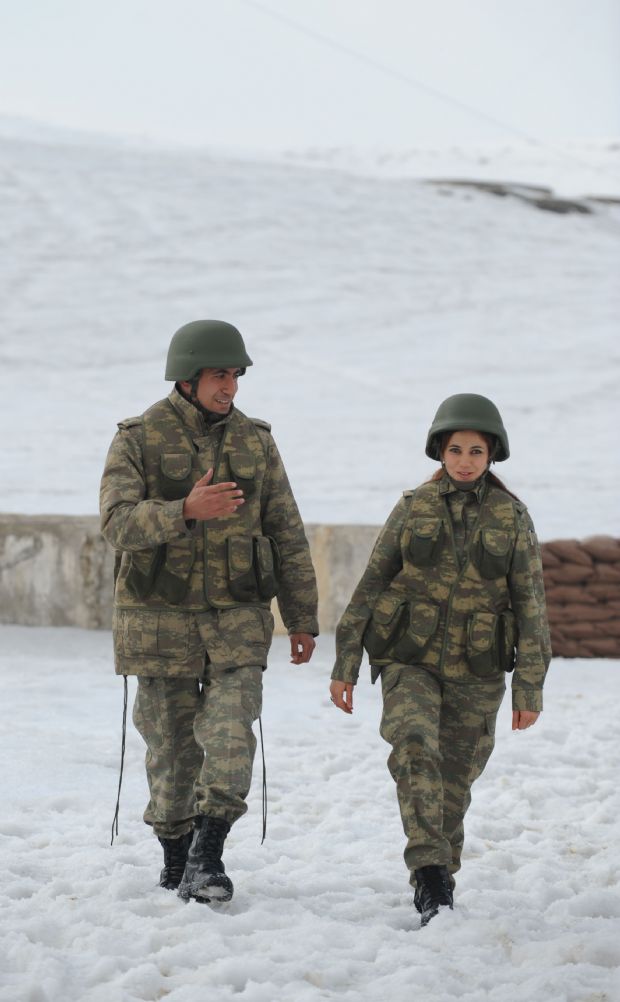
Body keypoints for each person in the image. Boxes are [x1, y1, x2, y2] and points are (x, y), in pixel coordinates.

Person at [100, 319, 318, 904]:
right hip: (159, 623)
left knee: (229, 737)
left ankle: (208, 855)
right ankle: (175, 855)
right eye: (220, 375)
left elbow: (287, 532)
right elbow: (117, 524)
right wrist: (183, 510)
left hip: (237, 621)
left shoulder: (256, 441)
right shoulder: (137, 438)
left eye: (236, 375)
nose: (231, 387)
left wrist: (301, 617)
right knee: (170, 749)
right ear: (188, 376)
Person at [329, 393, 550, 926]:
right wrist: (346, 665)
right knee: (413, 747)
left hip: (478, 671)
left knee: (454, 780)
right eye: (456, 449)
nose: (466, 460)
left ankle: (441, 869)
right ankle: (428, 876)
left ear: (492, 454)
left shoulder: (512, 517)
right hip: (410, 659)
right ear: (439, 452)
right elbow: (371, 584)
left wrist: (529, 688)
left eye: (476, 450)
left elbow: (531, 606)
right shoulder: (413, 508)